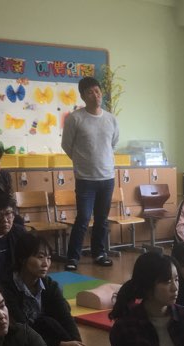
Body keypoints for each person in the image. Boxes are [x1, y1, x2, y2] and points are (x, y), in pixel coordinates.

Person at [0, 234, 91, 346]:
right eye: (40, 257)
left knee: (50, 323)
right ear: (22, 259)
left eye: (48, 258)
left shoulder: (49, 285)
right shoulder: (7, 288)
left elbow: (66, 318)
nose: (46, 263)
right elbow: (20, 330)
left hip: (48, 340)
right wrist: (61, 345)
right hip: (21, 344)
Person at [62, 75, 119, 271]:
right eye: (90, 92)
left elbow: (112, 144)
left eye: (97, 91)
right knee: (83, 218)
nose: (95, 95)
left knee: (102, 220)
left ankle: (99, 253)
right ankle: (72, 258)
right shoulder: (75, 118)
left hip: (107, 178)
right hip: (85, 179)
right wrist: (84, 163)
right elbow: (67, 146)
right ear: (83, 96)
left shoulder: (110, 119)